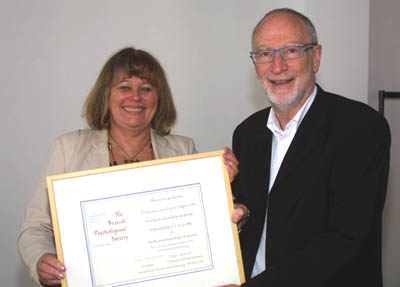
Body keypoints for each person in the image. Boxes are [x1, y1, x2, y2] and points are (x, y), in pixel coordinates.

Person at [17, 47, 239, 287]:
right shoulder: (69, 148)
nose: (135, 97)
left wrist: (223, 189)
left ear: (158, 97)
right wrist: (41, 260)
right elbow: (35, 228)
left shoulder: (184, 150)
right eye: (124, 87)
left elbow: (213, 226)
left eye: (146, 88)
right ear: (106, 95)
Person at [227, 8, 391, 287]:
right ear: (254, 63)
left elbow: (345, 240)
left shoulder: (360, 127)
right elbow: (258, 215)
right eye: (265, 53)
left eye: (291, 50)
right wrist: (237, 213)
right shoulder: (247, 133)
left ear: (315, 57)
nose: (277, 66)